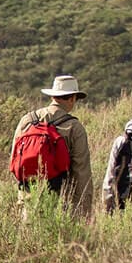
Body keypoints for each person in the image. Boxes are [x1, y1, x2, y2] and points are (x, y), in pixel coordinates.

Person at [13, 74, 92, 216]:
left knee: (29, 234)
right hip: (59, 199)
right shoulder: (74, 127)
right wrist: (83, 210)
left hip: (27, 196)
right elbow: (81, 171)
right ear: (72, 98)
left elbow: (15, 158)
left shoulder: (27, 120)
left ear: (52, 96)